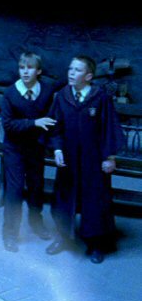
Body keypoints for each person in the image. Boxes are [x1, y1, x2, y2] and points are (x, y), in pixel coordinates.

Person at [46, 55, 125, 264]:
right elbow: (55, 127)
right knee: (63, 197)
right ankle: (63, 237)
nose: (71, 73)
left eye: (77, 70)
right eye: (70, 69)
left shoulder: (100, 98)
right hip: (69, 158)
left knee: (95, 199)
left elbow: (109, 128)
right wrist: (57, 149)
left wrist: (109, 157)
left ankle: (96, 243)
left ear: (89, 76)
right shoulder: (62, 97)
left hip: (94, 158)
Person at [0, 52, 57, 252]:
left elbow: (50, 119)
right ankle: (10, 233)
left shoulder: (47, 91)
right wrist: (33, 123)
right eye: (22, 68)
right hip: (14, 149)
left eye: (30, 68)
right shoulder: (10, 94)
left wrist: (49, 143)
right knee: (14, 191)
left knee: (36, 187)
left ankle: (36, 222)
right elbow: (8, 125)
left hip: (36, 148)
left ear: (38, 71)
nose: (25, 72)